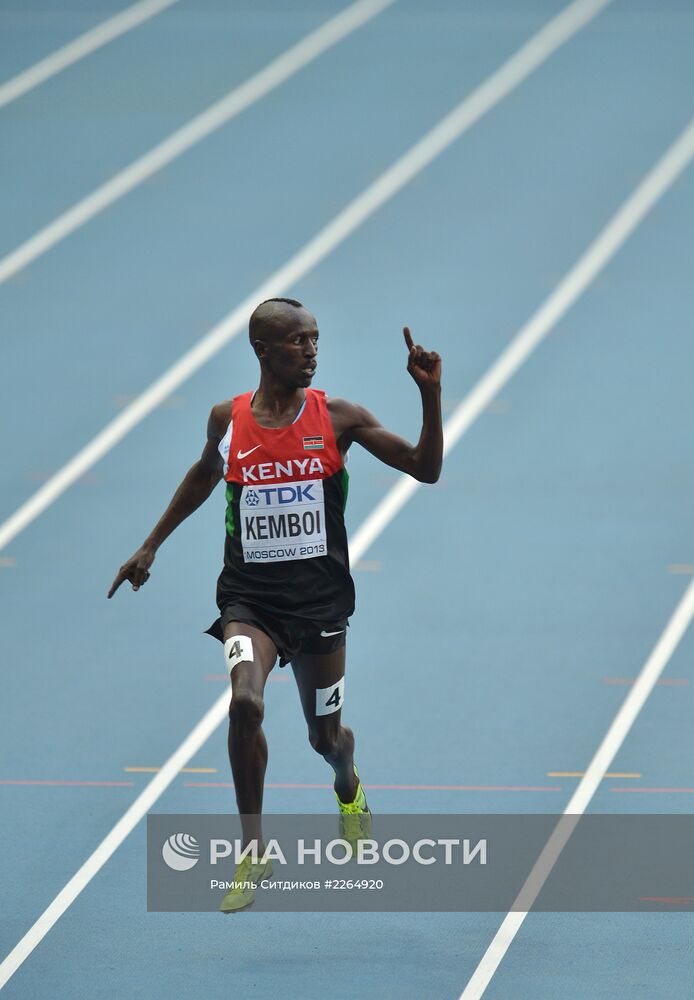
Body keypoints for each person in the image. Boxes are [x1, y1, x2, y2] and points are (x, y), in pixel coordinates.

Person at [108, 298, 442, 912]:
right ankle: (254, 850)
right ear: (263, 350)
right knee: (244, 700)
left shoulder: (339, 418)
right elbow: (207, 473)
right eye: (297, 341)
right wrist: (149, 545)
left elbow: (426, 469)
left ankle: (348, 787)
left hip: (318, 605)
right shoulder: (227, 418)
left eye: (316, 339)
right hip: (249, 598)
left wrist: (429, 395)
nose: (311, 350)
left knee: (326, 738)